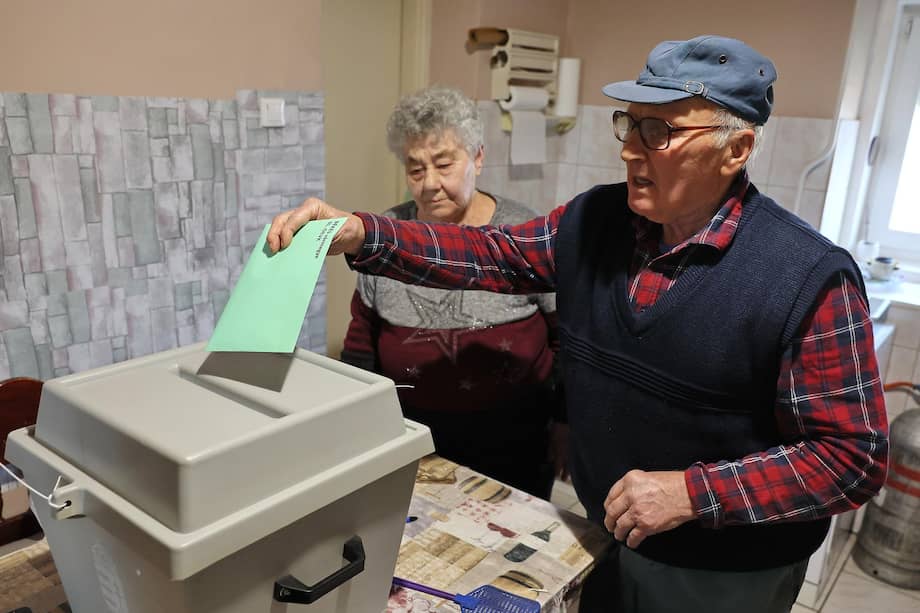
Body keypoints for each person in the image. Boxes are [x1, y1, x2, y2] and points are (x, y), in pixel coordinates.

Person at [269, 36, 889, 613]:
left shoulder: (807, 276)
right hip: (602, 528)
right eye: (629, 124)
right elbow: (492, 253)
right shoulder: (594, 222)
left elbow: (851, 459)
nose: (628, 148)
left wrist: (691, 494)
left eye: (659, 130)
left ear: (737, 148)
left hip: (723, 570)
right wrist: (363, 232)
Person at [340, 85, 566, 500]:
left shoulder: (522, 232)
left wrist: (566, 423)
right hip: (413, 442)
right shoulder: (385, 238)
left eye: (444, 165)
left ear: (477, 157)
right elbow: (360, 344)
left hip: (516, 444)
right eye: (415, 169)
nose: (429, 184)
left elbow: (566, 337)